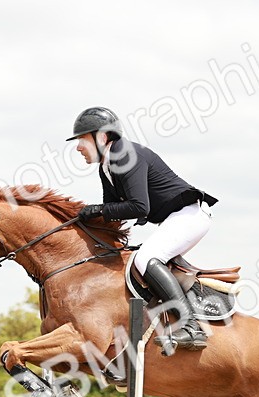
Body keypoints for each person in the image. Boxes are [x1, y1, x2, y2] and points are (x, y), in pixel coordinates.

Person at [68, 106, 218, 351]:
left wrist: (96, 210)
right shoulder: (106, 166)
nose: (77, 148)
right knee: (137, 257)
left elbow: (139, 207)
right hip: (176, 218)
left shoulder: (125, 155)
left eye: (82, 140)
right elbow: (112, 211)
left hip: (191, 215)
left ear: (102, 137)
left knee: (147, 257)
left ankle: (191, 327)